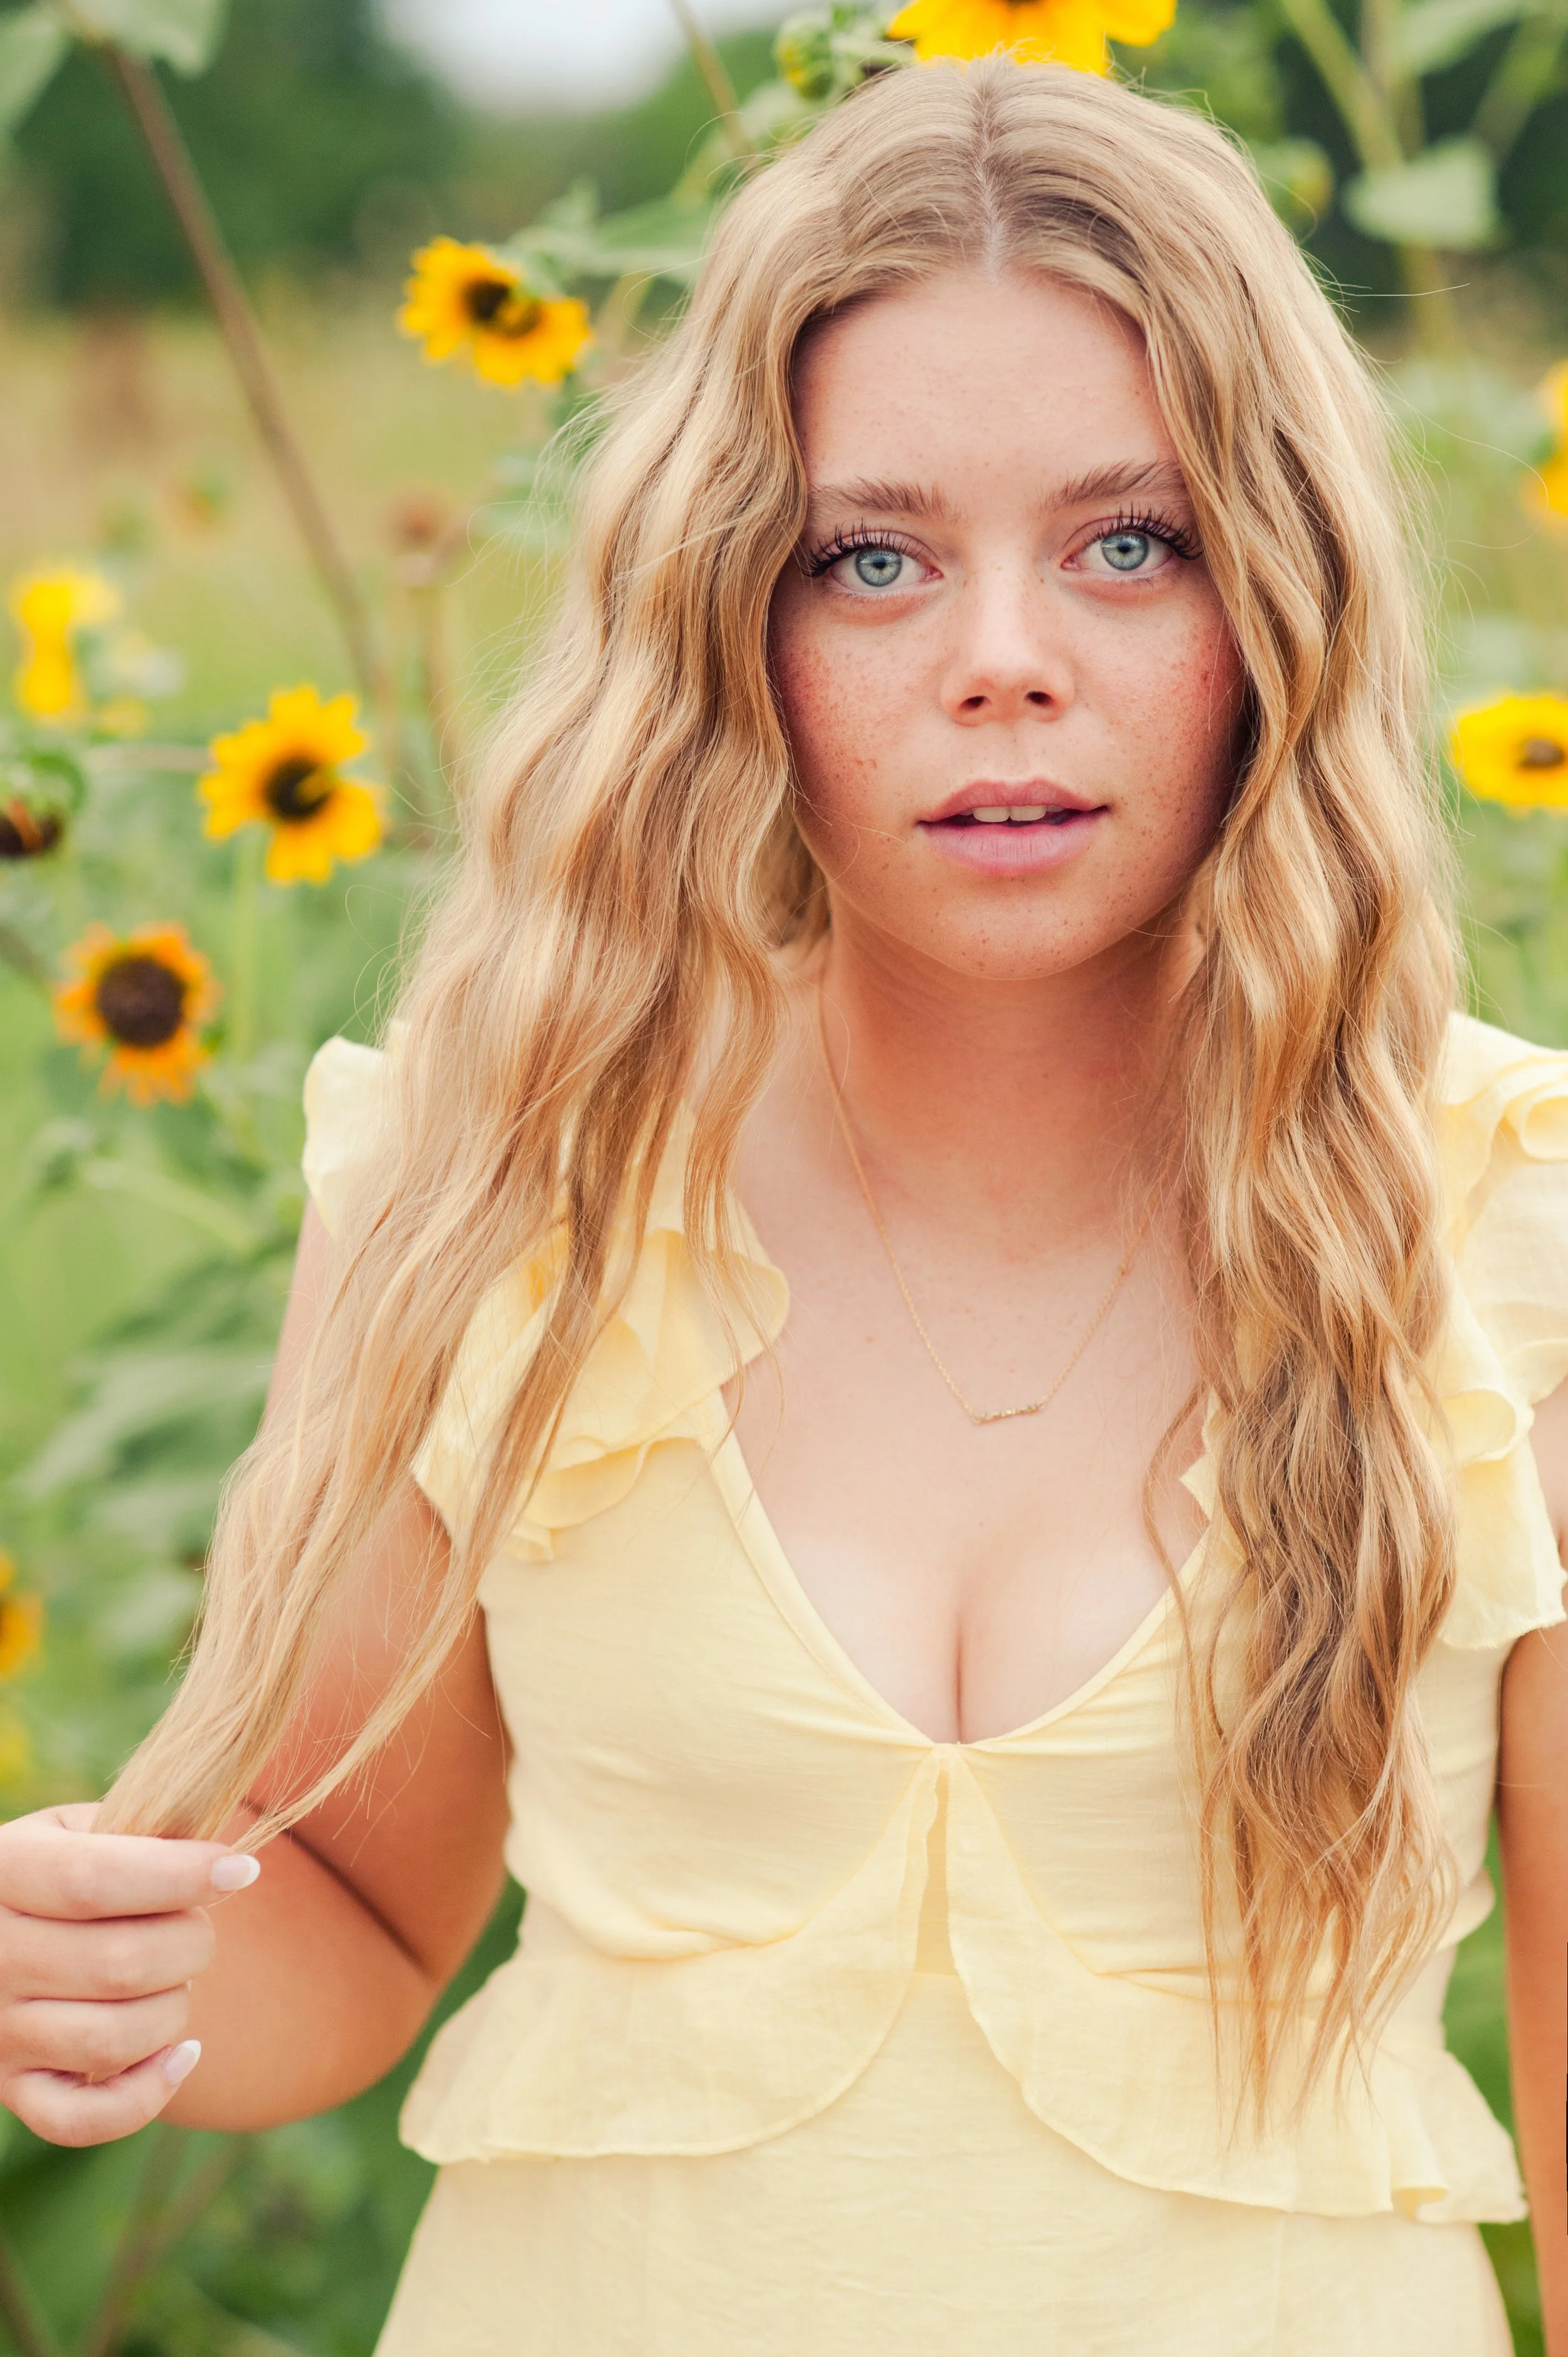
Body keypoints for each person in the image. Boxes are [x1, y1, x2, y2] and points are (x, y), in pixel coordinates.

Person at [0, 57, 1563, 2357]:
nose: (999, 655)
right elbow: (335, 1920)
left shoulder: (1513, 1217)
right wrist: (89, 1973)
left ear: (1282, 601)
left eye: (1131, 542)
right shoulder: (504, 1159)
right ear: (733, 615)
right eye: (875, 556)